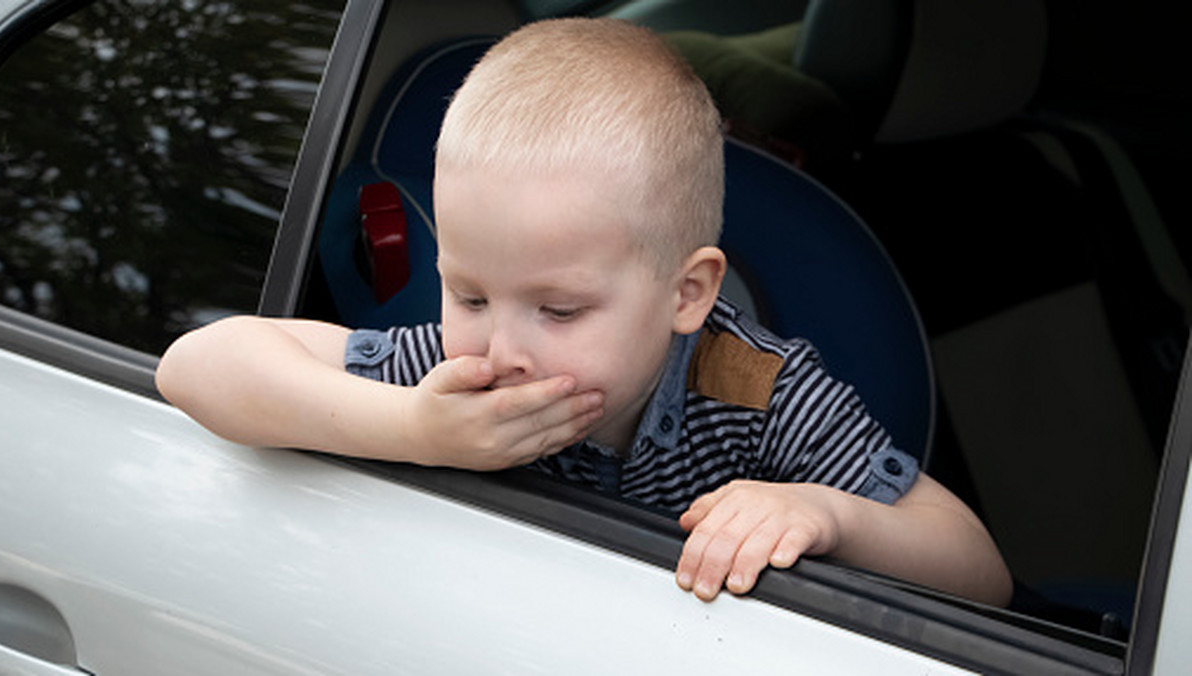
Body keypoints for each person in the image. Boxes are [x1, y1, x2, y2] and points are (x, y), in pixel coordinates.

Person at [157, 17, 1011, 606]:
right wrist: (414, 428)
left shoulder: (760, 395)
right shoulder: (454, 382)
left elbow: (978, 571)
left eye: (559, 309)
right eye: (470, 293)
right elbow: (196, 366)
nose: (505, 344)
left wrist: (826, 515)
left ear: (688, 294)